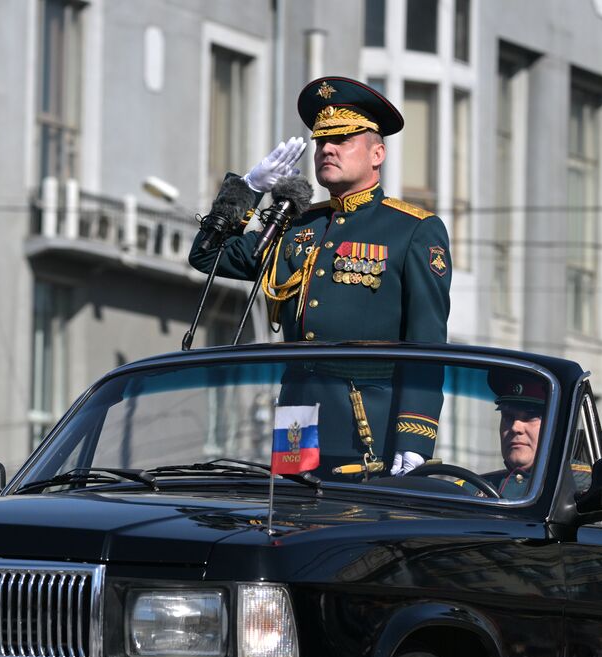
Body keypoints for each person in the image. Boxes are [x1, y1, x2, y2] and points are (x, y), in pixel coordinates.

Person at [189, 76, 452, 476]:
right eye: (320, 142)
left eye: (343, 140)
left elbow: (427, 344)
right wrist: (246, 190)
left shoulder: (412, 229)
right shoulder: (296, 226)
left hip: (367, 430)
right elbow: (206, 256)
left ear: (377, 153)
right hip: (295, 422)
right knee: (291, 524)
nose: (327, 149)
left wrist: (416, 436)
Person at [482, 373, 549, 500]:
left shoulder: (579, 486)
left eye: (531, 416)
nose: (515, 427)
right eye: (508, 417)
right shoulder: (469, 489)